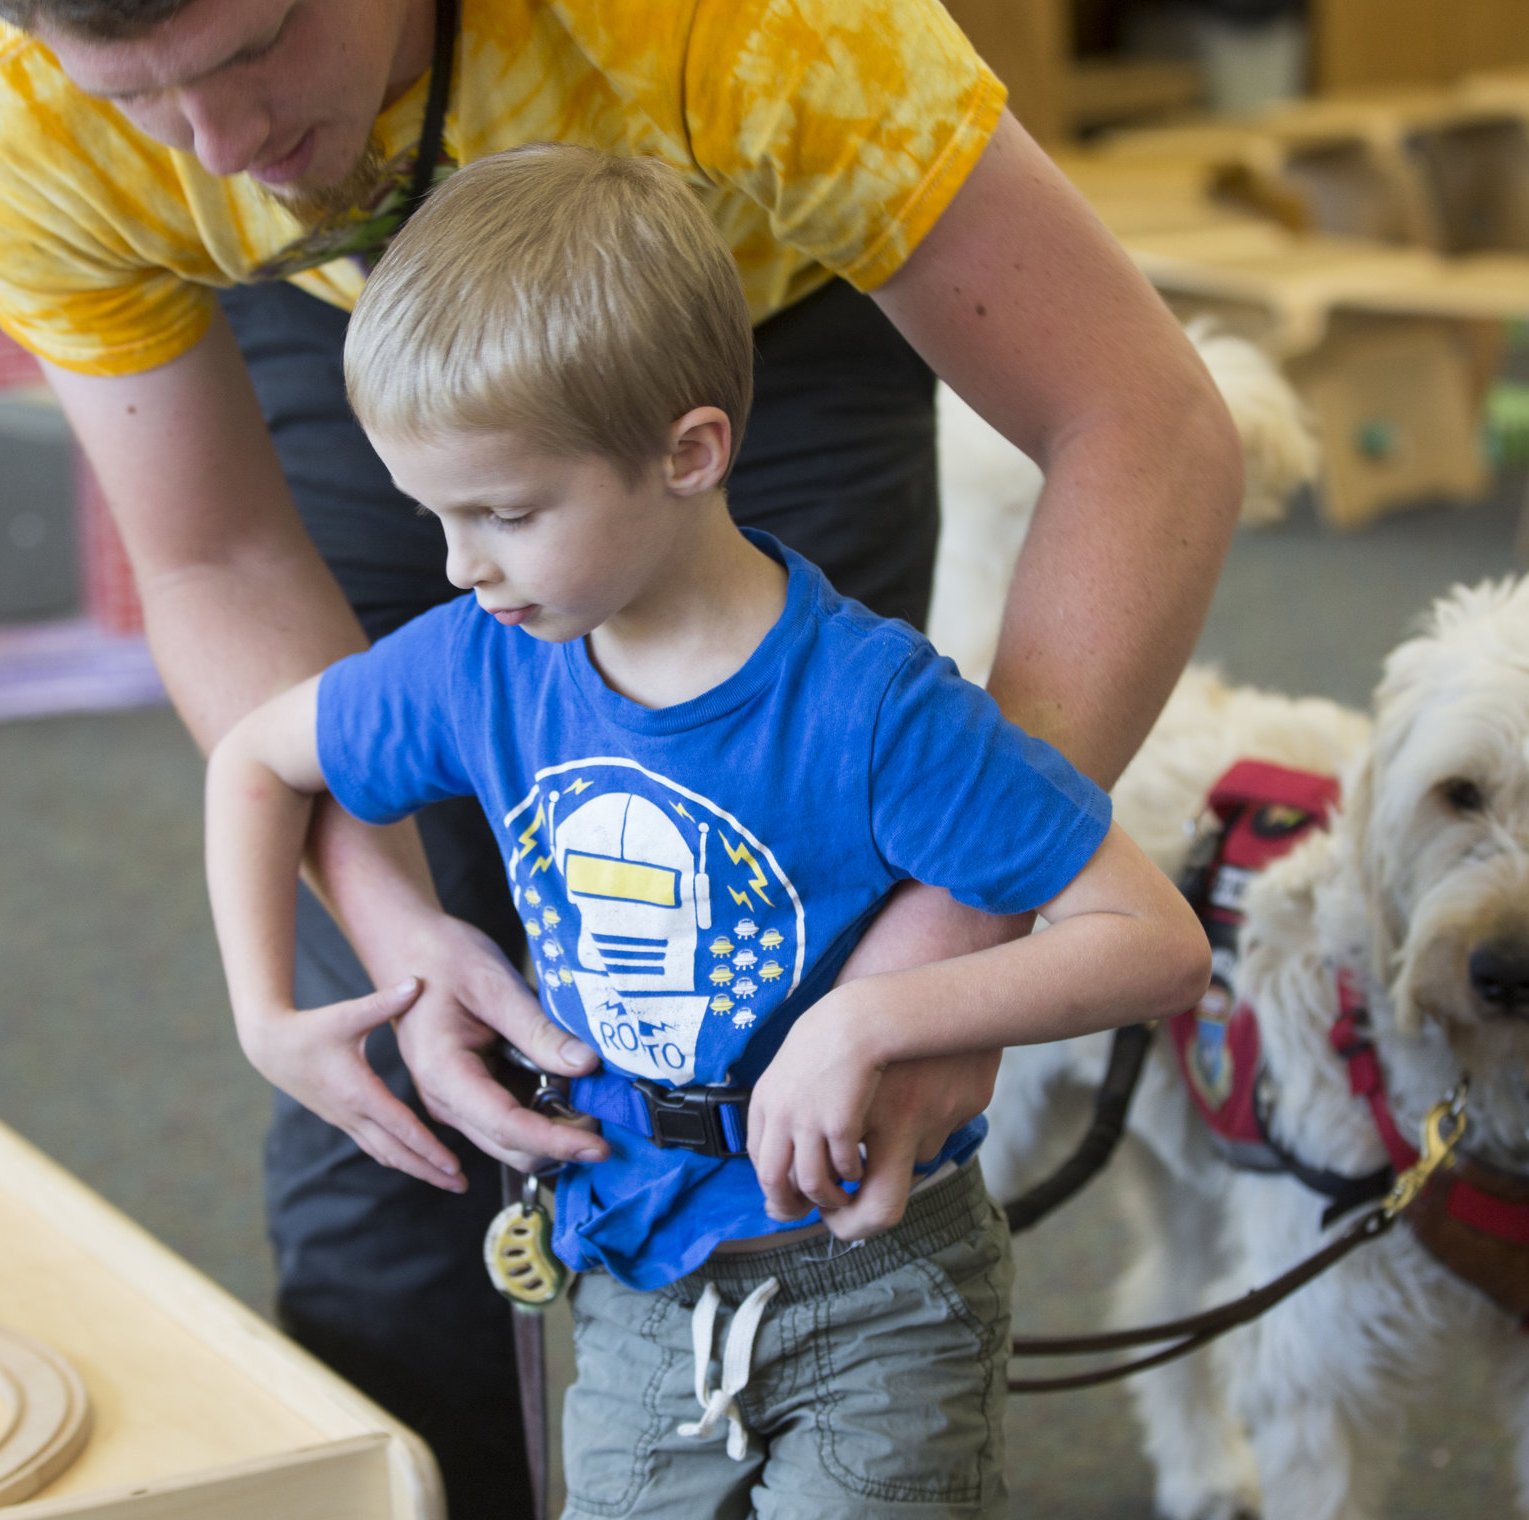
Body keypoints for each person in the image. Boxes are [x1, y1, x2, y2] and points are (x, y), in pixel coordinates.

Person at [0, 1, 1242, 1511]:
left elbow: (1144, 421)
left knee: (801, 953)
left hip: (758, 295)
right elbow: (213, 565)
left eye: (248, 52)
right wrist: (394, 940)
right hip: (380, 349)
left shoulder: (743, 30)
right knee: (391, 1142)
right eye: (138, 99)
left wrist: (929, 962)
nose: (220, 146)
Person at [206, 144, 1212, 1518]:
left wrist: (873, 1024)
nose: (458, 565)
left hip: (880, 1286)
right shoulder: (480, 660)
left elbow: (1152, 942)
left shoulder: (873, 705)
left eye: (504, 513)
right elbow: (258, 762)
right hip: (633, 1272)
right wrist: (268, 1014)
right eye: (433, 515)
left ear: (689, 453)